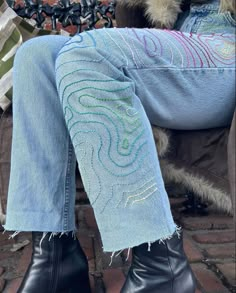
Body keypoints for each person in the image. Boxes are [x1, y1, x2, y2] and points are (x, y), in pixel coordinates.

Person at [3, 0, 235, 292]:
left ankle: (161, 264)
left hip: (225, 41)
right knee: (35, 56)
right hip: (182, 32)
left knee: (90, 55)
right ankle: (55, 258)